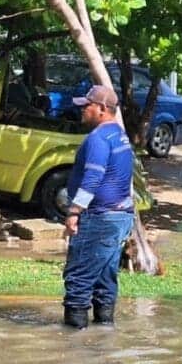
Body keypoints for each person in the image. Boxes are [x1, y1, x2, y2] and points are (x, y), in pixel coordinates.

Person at [62, 84, 135, 329]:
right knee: (105, 279)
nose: (82, 109)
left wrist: (74, 212)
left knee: (78, 280)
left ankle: (73, 343)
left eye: (87, 105)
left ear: (102, 109)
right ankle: (104, 336)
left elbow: (93, 178)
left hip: (99, 219)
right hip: (120, 217)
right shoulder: (120, 136)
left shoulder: (98, 139)